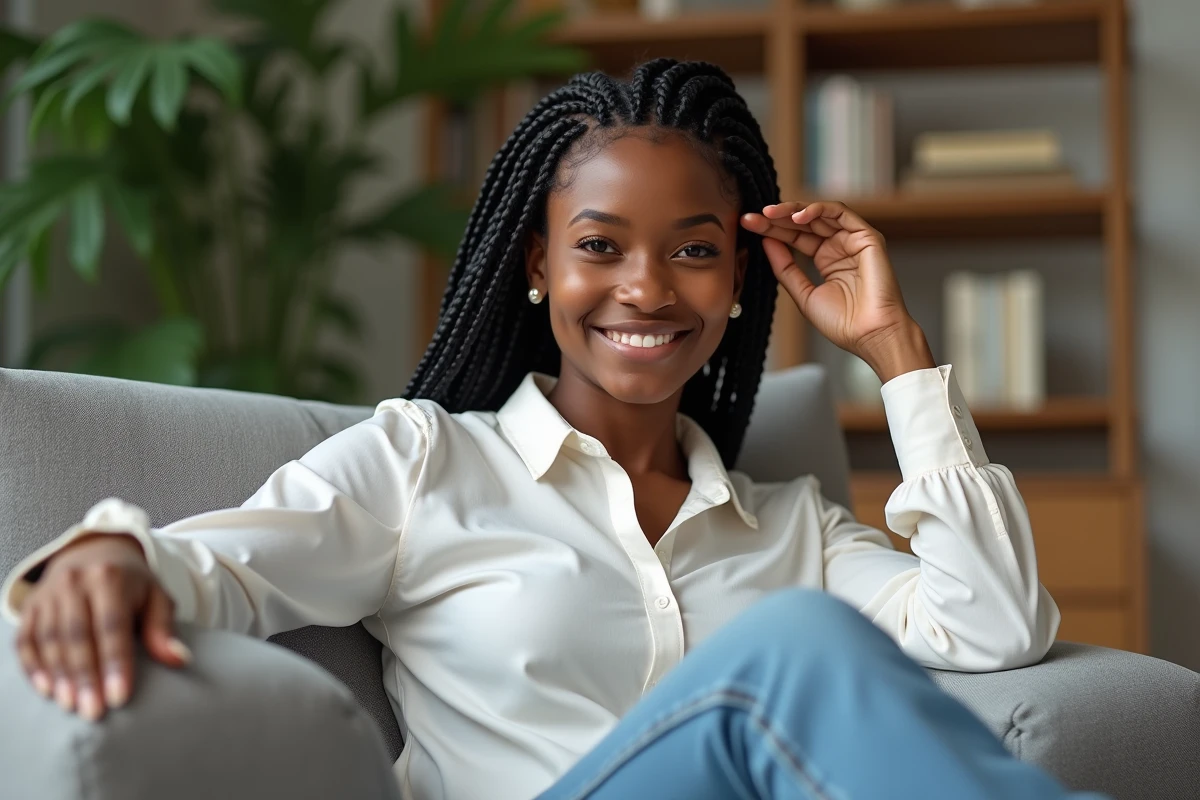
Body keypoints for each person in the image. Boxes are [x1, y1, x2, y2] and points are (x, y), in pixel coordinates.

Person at [1, 58, 1098, 800]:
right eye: (601, 245)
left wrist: (897, 346)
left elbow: (995, 624)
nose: (648, 289)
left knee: (812, 638)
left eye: (695, 249)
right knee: (801, 641)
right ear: (538, 264)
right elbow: (218, 565)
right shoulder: (426, 461)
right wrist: (104, 553)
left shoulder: (790, 525)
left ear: (736, 288)